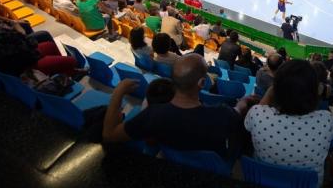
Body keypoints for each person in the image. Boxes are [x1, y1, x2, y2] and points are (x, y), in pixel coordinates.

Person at [102, 55, 246, 162]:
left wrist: (118, 92)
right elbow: (238, 112)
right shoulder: (222, 114)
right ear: (202, 83)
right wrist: (243, 103)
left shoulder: (152, 115)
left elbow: (109, 134)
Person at [244, 60, 333, 188]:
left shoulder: (257, 114)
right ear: (315, 92)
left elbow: (254, 116)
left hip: (262, 181)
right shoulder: (326, 119)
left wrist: (271, 90)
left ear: (275, 90)